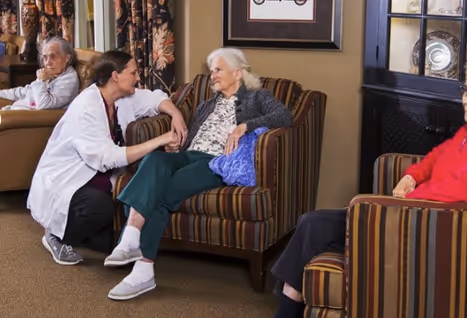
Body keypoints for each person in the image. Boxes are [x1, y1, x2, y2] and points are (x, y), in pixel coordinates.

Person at [272, 57, 467, 318]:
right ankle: (291, 300)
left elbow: (457, 194)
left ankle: (287, 306)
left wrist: (404, 201)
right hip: (408, 212)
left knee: (313, 225)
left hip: (420, 225)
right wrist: (410, 177)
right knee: (310, 224)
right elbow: (437, 155)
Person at [103, 47, 294, 301]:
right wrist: (175, 146)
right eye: (211, 70)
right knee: (154, 159)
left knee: (158, 192)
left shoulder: (257, 97)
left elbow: (285, 116)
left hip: (216, 163)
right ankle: (130, 239)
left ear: (237, 73)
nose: (212, 75)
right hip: (189, 154)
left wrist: (243, 127)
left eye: (218, 70)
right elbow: (191, 139)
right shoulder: (206, 105)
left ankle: (142, 268)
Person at [27, 50, 188, 266]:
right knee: (100, 208)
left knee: (109, 242)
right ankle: (55, 236)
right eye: (133, 73)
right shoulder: (87, 106)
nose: (138, 78)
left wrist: (176, 115)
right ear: (115, 76)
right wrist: (159, 141)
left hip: (99, 180)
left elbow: (154, 98)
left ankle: (83, 230)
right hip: (66, 182)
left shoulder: (122, 97)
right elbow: (106, 158)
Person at [0, 37, 79, 110]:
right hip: (13, 112)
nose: (48, 63)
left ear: (67, 58)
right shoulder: (53, 74)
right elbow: (26, 91)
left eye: (53, 56)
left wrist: (41, 81)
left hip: (24, 119)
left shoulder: (69, 80)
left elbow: (44, 105)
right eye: (45, 57)